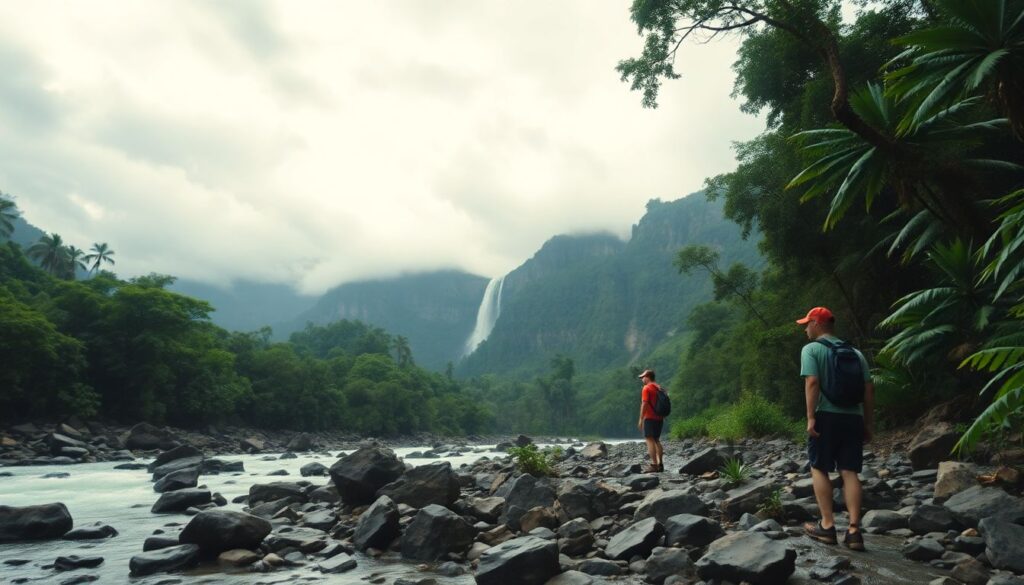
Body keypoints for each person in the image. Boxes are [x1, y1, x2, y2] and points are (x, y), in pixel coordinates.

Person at [797, 306, 874, 551]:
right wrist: (867, 423)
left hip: (825, 416)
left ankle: (827, 526)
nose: (805, 329)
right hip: (853, 418)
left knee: (819, 466)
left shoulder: (811, 349)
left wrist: (810, 417)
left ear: (818, 324)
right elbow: (869, 391)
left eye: (807, 324)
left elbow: (812, 382)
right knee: (850, 471)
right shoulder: (855, 353)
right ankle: (854, 531)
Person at [637, 369, 665, 473]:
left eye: (643, 377)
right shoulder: (660, 388)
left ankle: (654, 465)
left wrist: (640, 419)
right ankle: (660, 464)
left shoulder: (646, 388)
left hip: (649, 417)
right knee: (656, 440)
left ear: (648, 377)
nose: (642, 379)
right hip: (660, 418)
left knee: (649, 440)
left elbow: (644, 404)